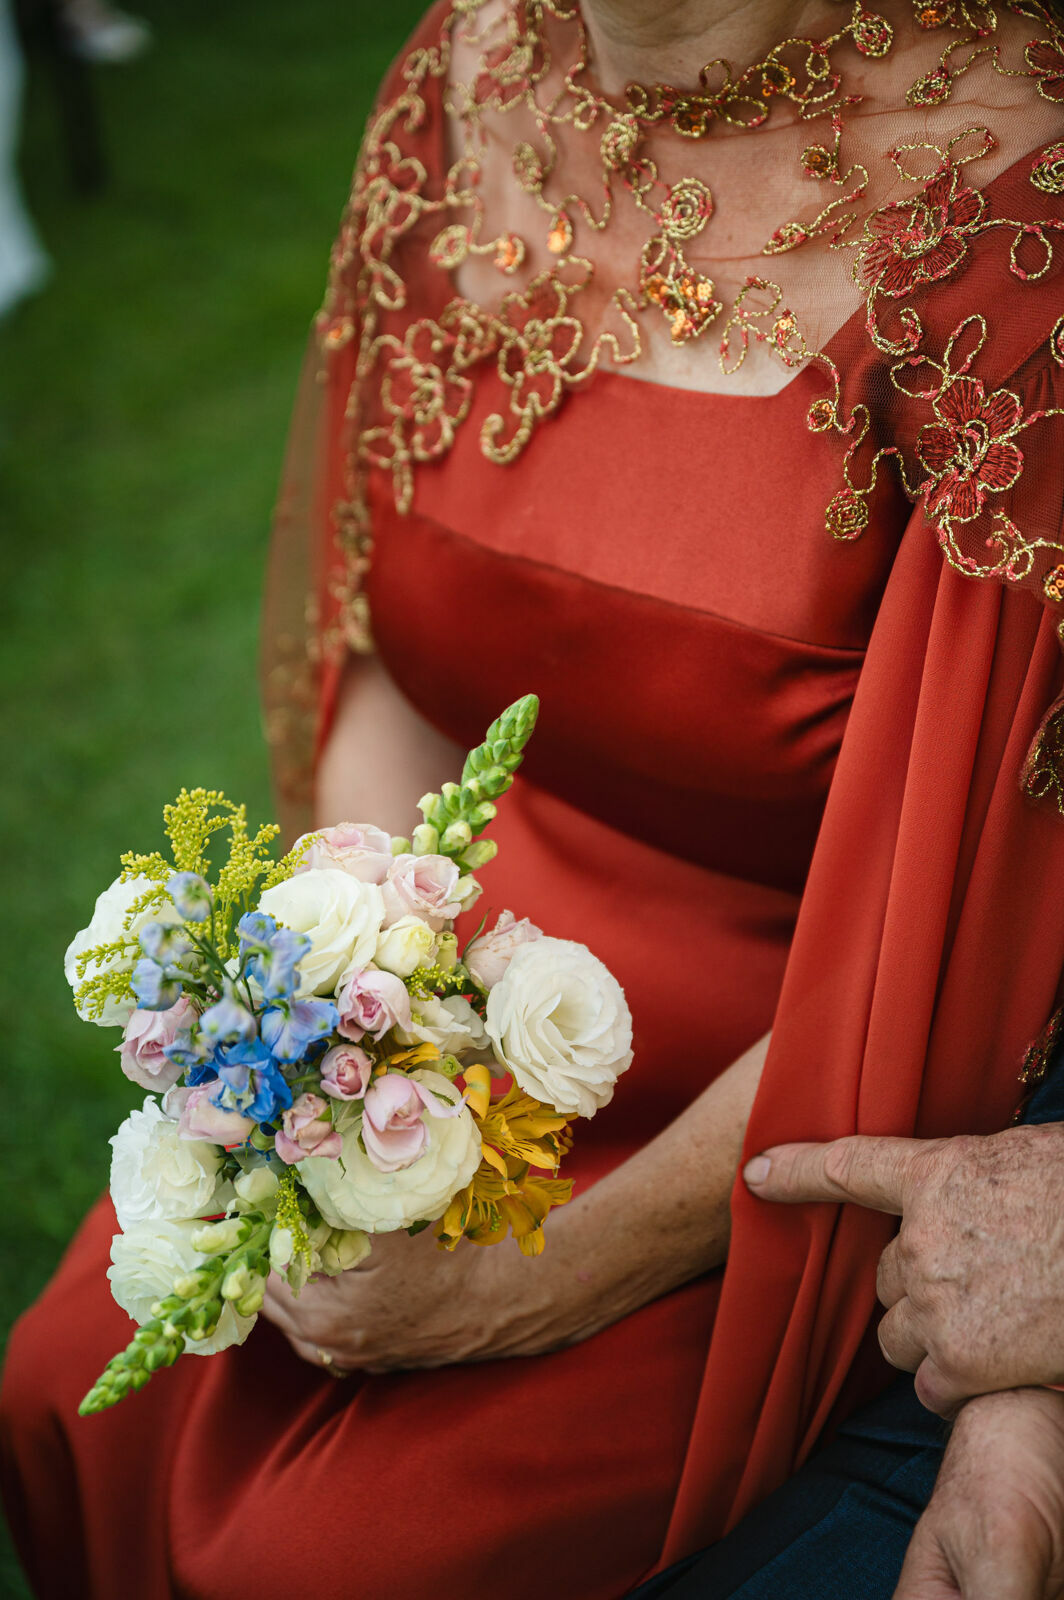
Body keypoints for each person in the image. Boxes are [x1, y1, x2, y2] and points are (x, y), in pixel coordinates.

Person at [4, 2, 1064, 1596]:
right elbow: (393, 652)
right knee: (61, 1387)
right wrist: (353, 1047)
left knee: (325, 1565)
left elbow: (958, 917)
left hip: (797, 1102)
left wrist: (538, 1282)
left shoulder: (1008, 197)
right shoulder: (464, 69)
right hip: (441, 1039)